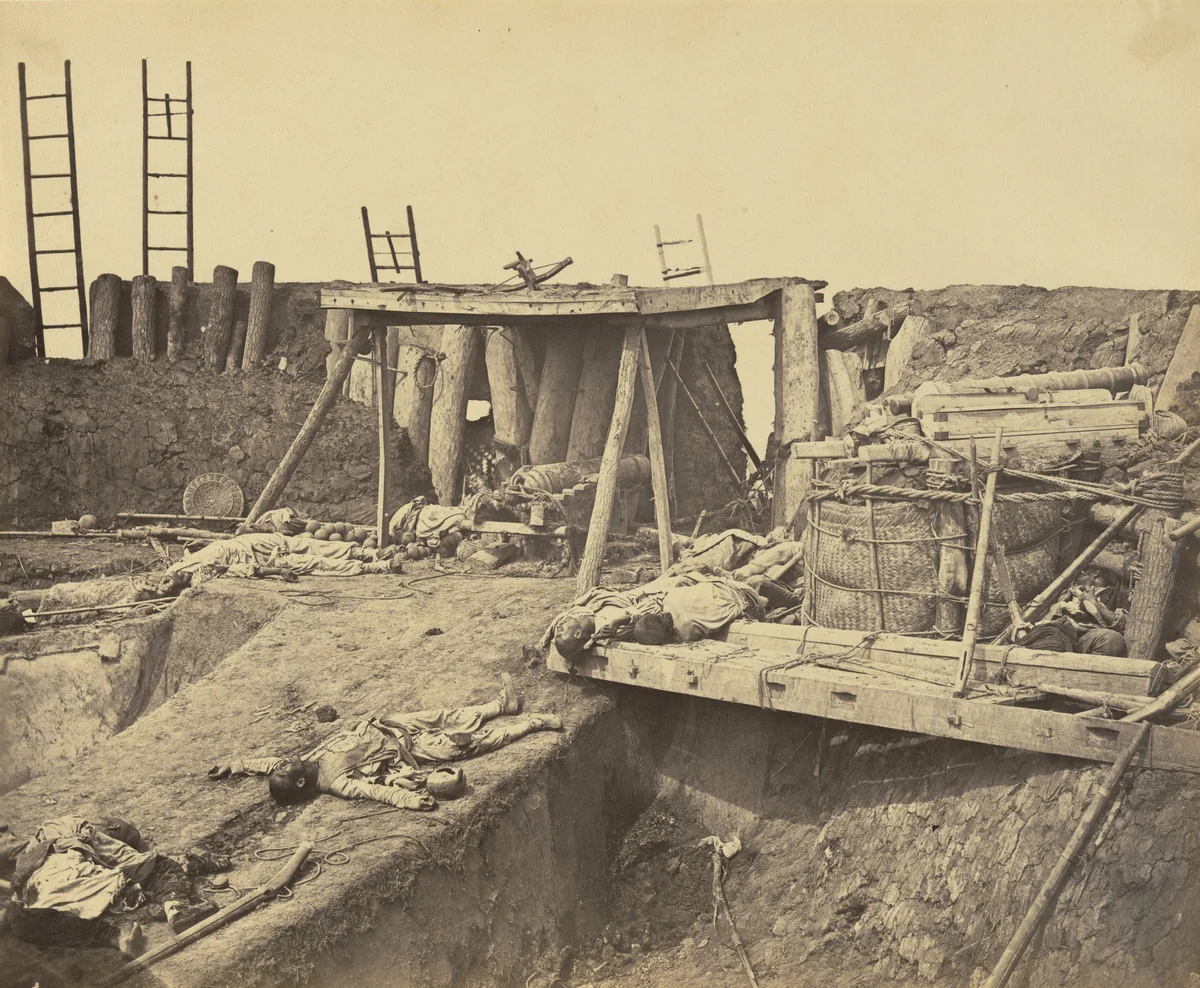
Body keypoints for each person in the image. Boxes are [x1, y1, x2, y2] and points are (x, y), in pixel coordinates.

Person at [209, 675, 562, 809]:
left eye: (281, 765)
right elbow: (378, 792)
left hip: (390, 725)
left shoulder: (305, 761)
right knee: (467, 743)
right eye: (286, 769)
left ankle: (500, 706)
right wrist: (411, 800)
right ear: (300, 782)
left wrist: (238, 765)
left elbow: (269, 764)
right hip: (410, 751)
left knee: (445, 713)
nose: (284, 762)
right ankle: (533, 723)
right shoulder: (336, 782)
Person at [1020, 568, 1129, 656]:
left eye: (1082, 573)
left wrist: (1095, 603)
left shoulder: (1116, 594)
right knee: (1049, 645)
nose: (1077, 577)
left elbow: (1124, 623)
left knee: (1112, 640)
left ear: (1095, 574)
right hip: (1059, 630)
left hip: (1088, 636)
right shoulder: (1065, 592)